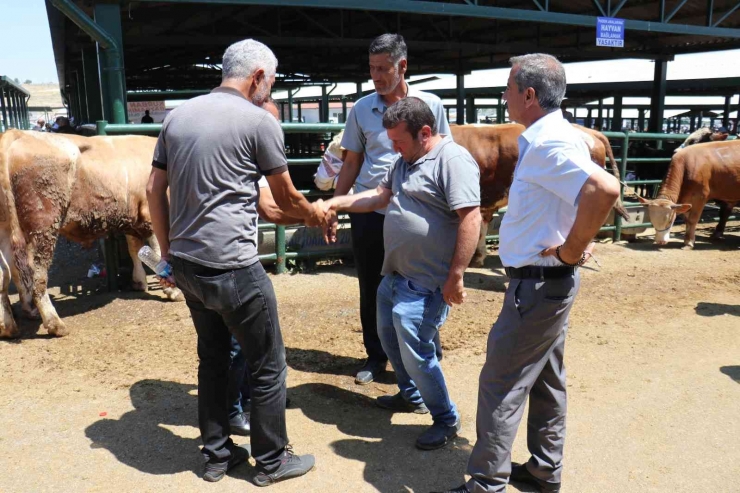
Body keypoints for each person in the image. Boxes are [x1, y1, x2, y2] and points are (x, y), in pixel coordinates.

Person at [433, 54, 619, 493]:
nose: (504, 96)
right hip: (546, 284)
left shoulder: (550, 142)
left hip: (537, 284)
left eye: (509, 88)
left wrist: (572, 250)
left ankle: (485, 482)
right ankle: (543, 468)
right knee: (548, 379)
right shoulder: (553, 137)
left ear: (529, 95)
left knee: (501, 382)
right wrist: (571, 242)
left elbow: (604, 188)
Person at [146, 39, 321, 486]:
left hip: (187, 265)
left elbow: (153, 191)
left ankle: (217, 457)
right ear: (258, 76)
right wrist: (316, 213)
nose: (270, 91)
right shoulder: (257, 120)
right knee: (268, 364)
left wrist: (167, 255)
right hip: (234, 268)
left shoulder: (178, 116)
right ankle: (272, 461)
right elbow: (285, 197)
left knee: (213, 360)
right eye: (272, 81)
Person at [325, 97, 481, 450]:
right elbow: (379, 197)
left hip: (427, 282)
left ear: (425, 132)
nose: (393, 148)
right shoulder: (405, 160)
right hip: (394, 276)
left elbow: (471, 218)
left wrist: (456, 274)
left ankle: (445, 418)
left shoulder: (451, 161)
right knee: (389, 336)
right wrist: (337, 201)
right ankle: (410, 394)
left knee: (417, 351)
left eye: (399, 141)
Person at [334, 33, 451, 385]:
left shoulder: (431, 105)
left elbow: (443, 154)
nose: (376, 76)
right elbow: (352, 163)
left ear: (403, 66)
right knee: (371, 285)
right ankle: (376, 355)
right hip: (371, 213)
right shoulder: (361, 108)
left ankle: (426, 351)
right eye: (371, 68)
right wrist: (334, 207)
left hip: (418, 212)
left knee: (423, 282)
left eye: (383, 68)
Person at [227, 97, 302, 437]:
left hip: (223, 257)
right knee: (236, 340)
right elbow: (271, 209)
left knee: (244, 338)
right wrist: (314, 215)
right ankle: (233, 409)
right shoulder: (243, 154)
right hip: (230, 260)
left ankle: (246, 399)